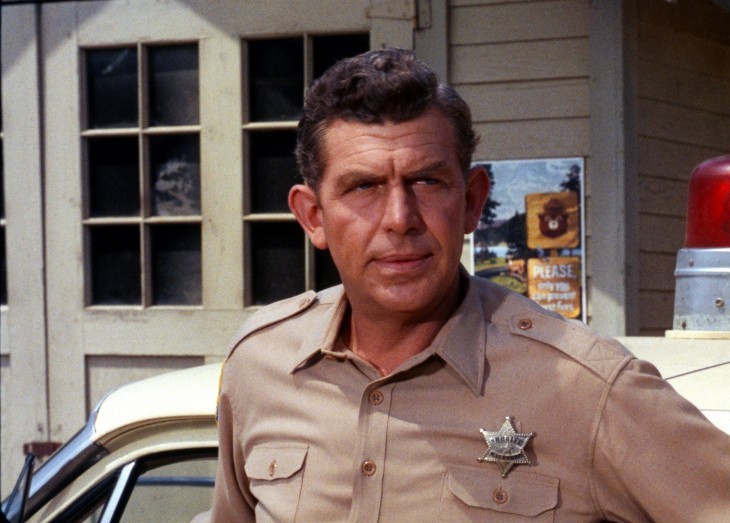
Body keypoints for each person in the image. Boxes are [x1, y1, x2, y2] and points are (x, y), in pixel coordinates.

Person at [212, 48, 730, 521]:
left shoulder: (584, 389)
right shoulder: (261, 365)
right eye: (364, 186)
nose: (400, 218)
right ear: (312, 217)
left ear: (472, 201)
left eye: (426, 181)